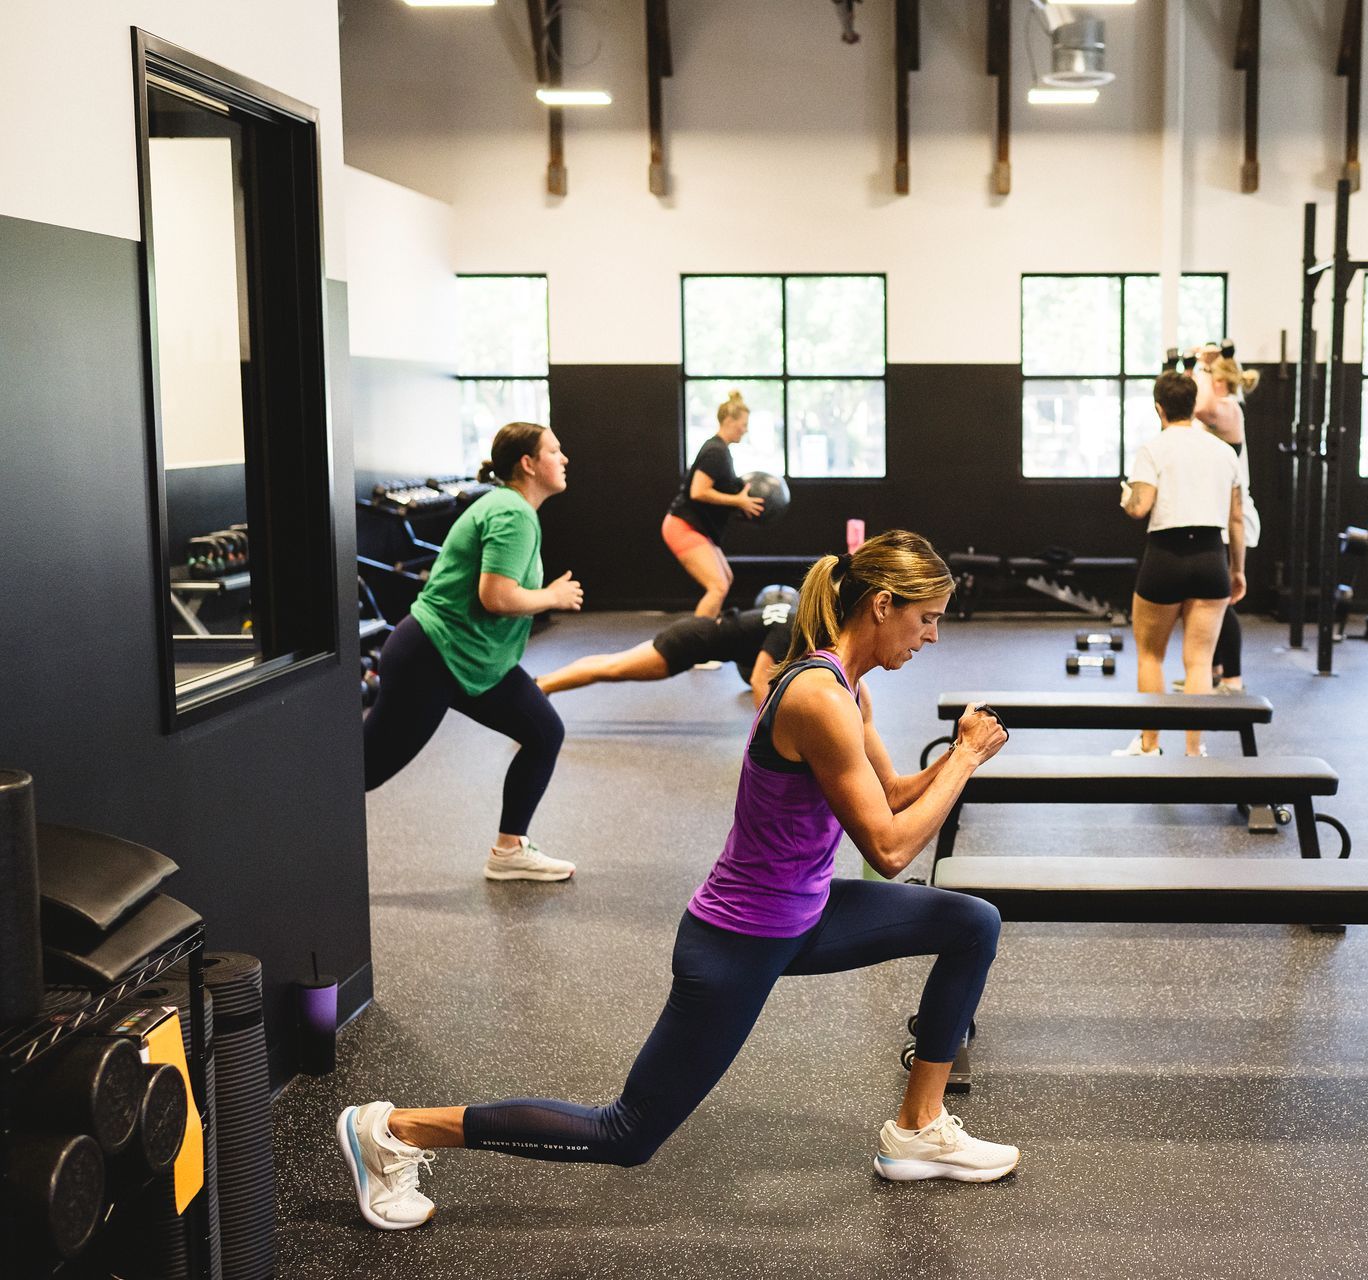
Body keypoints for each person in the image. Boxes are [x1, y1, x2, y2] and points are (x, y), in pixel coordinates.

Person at [335, 531, 1019, 1231]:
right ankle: (395, 1131)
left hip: (805, 914)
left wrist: (958, 758)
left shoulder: (849, 692)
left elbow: (897, 795)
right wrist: (963, 759)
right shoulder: (818, 698)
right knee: (626, 1134)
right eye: (927, 617)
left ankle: (919, 1128)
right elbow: (890, 845)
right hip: (739, 939)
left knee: (971, 924)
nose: (932, 636)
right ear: (881, 604)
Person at [363, 422, 583, 883]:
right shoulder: (513, 513)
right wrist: (553, 597)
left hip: (471, 660)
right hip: (433, 657)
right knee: (365, 771)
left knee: (544, 732)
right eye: (555, 451)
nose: (564, 459)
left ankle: (509, 851)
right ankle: (281, 835)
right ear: (528, 463)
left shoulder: (512, 508)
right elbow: (497, 597)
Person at [1116, 370, 1247, 757]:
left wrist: (1126, 497)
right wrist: (1237, 570)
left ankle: (1149, 745)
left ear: (1159, 407)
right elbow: (1237, 518)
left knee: (1151, 655)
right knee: (1200, 662)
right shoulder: (1223, 450)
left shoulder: (1154, 448)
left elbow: (1139, 507)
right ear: (1194, 406)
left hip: (1166, 558)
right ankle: (1194, 752)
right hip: (1211, 557)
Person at [537, 604, 795, 708]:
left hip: (696, 632)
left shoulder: (792, 615)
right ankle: (543, 686)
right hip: (689, 644)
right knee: (613, 669)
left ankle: (545, 682)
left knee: (611, 663)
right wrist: (767, 736)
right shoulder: (790, 629)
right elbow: (759, 682)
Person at [1193, 343, 1262, 694]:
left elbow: (1199, 406)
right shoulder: (1221, 407)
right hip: (1215, 516)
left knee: (1221, 602)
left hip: (1231, 518)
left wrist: (1204, 365)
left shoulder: (1229, 409)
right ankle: (1214, 670)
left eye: (1208, 377)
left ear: (1219, 381)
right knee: (1208, 599)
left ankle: (1233, 678)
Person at [664, 389, 765, 618]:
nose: (746, 429)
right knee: (717, 586)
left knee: (725, 579)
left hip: (696, 526)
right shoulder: (715, 451)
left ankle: (707, 638)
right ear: (729, 421)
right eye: (744, 423)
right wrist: (738, 501)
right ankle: (692, 646)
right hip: (683, 525)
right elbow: (698, 491)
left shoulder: (721, 450)